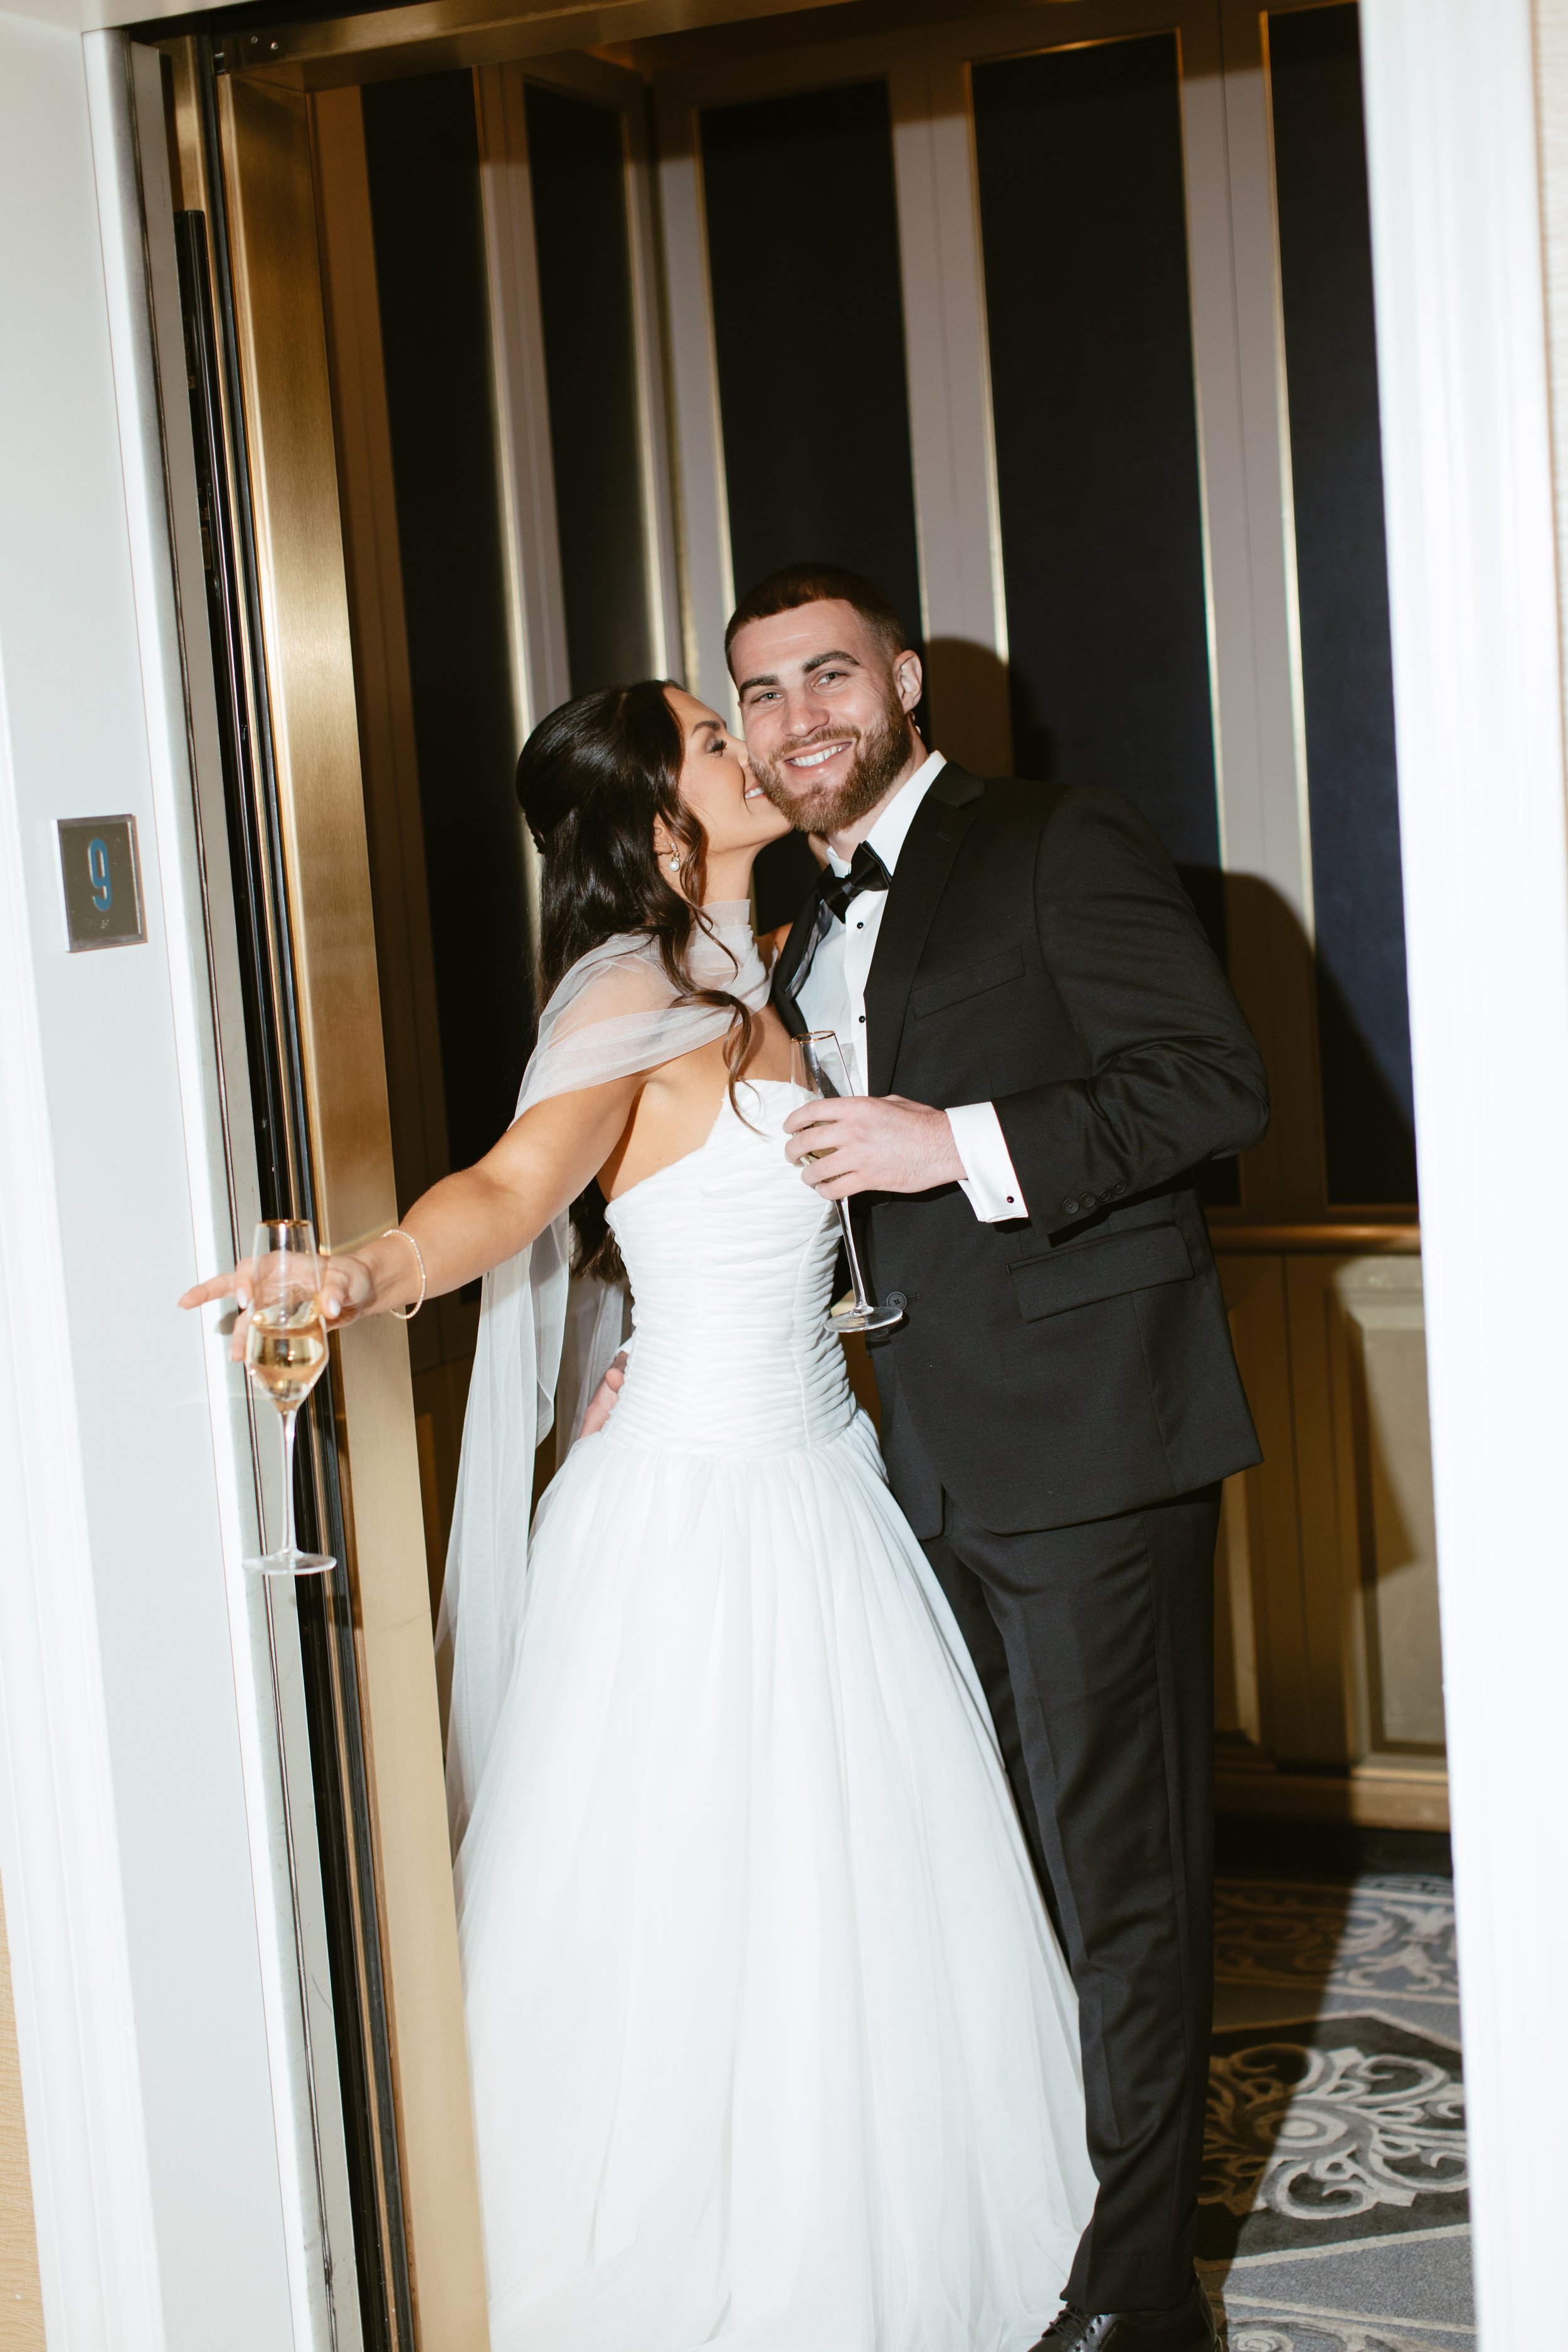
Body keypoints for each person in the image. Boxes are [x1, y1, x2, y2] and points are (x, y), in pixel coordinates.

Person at [182, 679, 1097, 2352]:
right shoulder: (635, 983)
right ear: (655, 818)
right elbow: (518, 1186)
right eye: (704, 731)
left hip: (820, 1481)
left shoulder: (764, 972)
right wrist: (367, 1268)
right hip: (698, 1516)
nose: (745, 738)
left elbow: (723, 1213)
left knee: (850, 1905)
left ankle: (854, 2233)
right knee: (693, 1901)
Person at [728, 561, 1268, 2352]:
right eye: (759, 695)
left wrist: (949, 1139)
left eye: (826, 677)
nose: (796, 719)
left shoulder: (1055, 838)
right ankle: (1045, 2209)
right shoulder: (795, 928)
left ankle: (1135, 2298)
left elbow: (1207, 1087)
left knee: (1121, 1881)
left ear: (902, 679)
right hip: (905, 1468)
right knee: (997, 1872)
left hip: (1090, 1445)